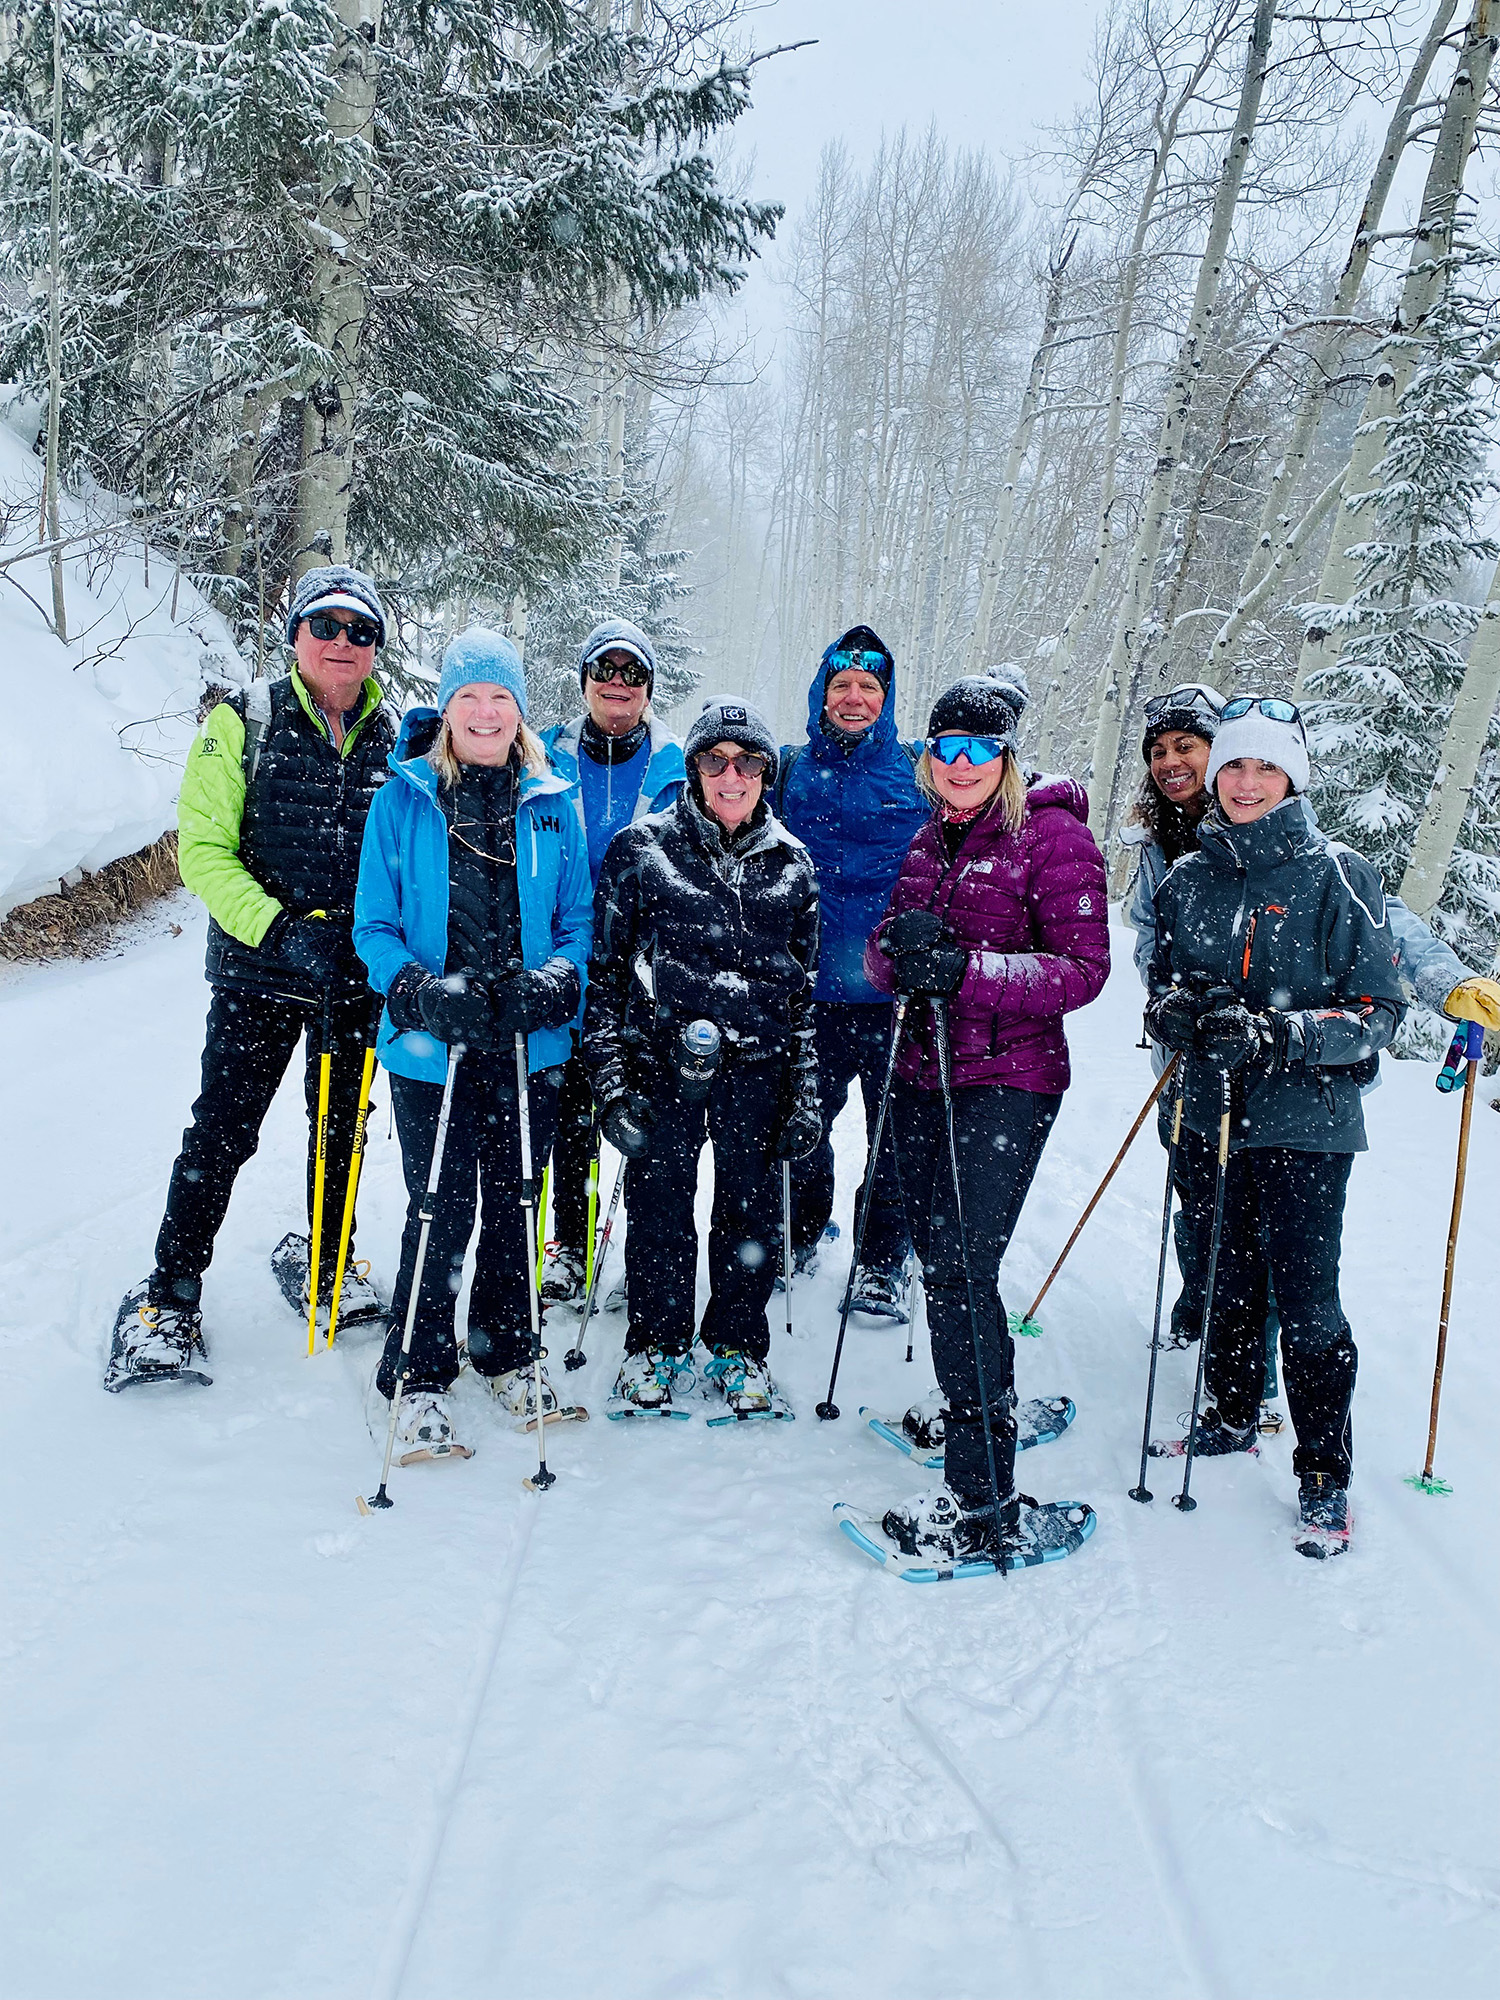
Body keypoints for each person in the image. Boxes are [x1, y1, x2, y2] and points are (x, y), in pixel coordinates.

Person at [1125, 681, 1500, 1358]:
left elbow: (1385, 927)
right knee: (1205, 1221)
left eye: (1187, 746)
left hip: (1293, 1076)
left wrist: (1449, 982)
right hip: (1195, 1071)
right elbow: (1152, 951)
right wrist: (1170, 1008)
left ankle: (1254, 1371)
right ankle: (1208, 1323)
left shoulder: (1303, 847)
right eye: (1158, 751)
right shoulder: (1163, 853)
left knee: (1274, 1247)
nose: (1170, 762)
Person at [107, 565, 398, 1390]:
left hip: (353, 977)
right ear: (296, 634)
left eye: (361, 630)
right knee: (224, 1130)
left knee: (341, 1125)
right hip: (257, 972)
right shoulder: (245, 721)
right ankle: (168, 1292)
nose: (343, 643)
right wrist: (280, 932)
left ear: (375, 648)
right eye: (327, 625)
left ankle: (328, 1259)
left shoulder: (397, 736)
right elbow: (201, 852)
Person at [1143, 697, 1406, 1558]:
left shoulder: (1339, 873)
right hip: (1206, 1115)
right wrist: (1180, 1014)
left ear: (1292, 776)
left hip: (1306, 1126)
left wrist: (1279, 1033)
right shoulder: (1188, 877)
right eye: (1234, 767)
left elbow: (1378, 1012)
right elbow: (1163, 985)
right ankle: (1226, 1415)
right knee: (1221, 1272)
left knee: (1307, 1299)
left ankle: (1324, 1471)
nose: (1247, 782)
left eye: (1265, 767)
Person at [863, 676, 1109, 1568]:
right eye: (946, 748)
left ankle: (985, 1501)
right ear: (928, 758)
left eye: (981, 748)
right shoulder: (930, 840)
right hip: (928, 1074)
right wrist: (896, 955)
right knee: (944, 1263)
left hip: (1010, 1079)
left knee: (962, 1266)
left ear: (1007, 756)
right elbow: (885, 948)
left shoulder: (1053, 836)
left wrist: (965, 969)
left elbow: (1083, 971)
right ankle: (980, 1411)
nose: (961, 764)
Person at [352, 630, 592, 1456]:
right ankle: (418, 1370)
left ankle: (506, 1346)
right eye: (469, 698)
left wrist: (559, 981)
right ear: (447, 708)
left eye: (500, 699)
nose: (485, 713)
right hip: (434, 1045)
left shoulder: (554, 799)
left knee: (518, 1202)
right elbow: (373, 925)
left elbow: (578, 920)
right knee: (441, 1203)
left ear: (520, 710)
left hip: (528, 1042)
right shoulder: (404, 798)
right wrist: (417, 991)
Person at [582, 697, 820, 1417]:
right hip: (664, 1060)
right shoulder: (642, 849)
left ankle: (739, 1348)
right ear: (693, 769)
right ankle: (655, 1342)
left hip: (758, 1066)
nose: (732, 775)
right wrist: (611, 1083)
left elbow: (802, 993)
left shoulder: (793, 865)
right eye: (716, 760)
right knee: (661, 1205)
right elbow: (608, 973)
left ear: (765, 776)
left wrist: (804, 1092)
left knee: (747, 1214)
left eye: (748, 763)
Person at [773, 625, 931, 1317]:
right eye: (843, 685)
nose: (855, 697)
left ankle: (880, 1258)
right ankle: (800, 1232)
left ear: (887, 697)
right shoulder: (785, 768)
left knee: (895, 1130)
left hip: (893, 994)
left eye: (870, 686)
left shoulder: (919, 767)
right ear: (822, 693)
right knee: (802, 1123)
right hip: (808, 990)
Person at [538, 621, 685, 1306]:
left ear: (650, 687)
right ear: (585, 679)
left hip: (645, 971)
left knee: (639, 1108)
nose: (618, 683)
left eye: (633, 673)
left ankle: (640, 1248)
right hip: (565, 959)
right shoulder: (543, 755)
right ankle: (569, 1244)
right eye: (606, 669)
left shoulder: (679, 766)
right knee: (570, 1115)